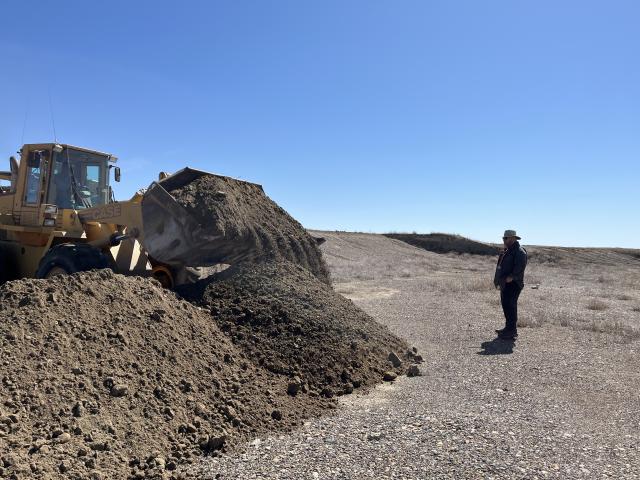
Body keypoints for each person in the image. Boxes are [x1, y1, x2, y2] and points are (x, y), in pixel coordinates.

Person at [493, 230, 527, 339]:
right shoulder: (508, 250)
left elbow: (520, 267)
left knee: (511, 307)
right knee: (506, 306)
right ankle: (508, 328)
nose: (503, 240)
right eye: (503, 238)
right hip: (505, 283)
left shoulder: (519, 251)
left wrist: (511, 277)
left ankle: (512, 331)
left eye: (505, 238)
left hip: (513, 284)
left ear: (512, 238)